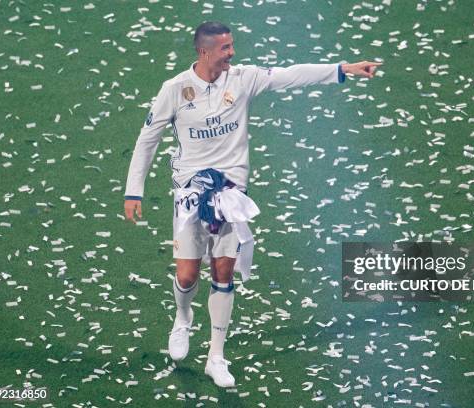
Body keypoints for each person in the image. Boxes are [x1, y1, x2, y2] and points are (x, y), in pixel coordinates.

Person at [123, 21, 380, 388]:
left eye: (232, 46)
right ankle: (182, 319)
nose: (232, 53)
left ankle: (216, 356)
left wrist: (342, 69)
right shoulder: (175, 90)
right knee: (187, 275)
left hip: (230, 193)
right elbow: (147, 139)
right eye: (225, 48)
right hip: (191, 193)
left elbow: (289, 76)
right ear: (204, 51)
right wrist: (134, 190)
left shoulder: (242, 79)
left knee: (224, 272)